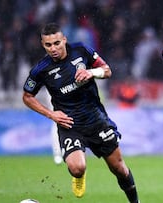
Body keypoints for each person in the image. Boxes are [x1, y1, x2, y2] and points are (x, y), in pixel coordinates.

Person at [22, 23, 140, 203]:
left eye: (56, 43)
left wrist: (91, 72)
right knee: (78, 167)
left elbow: (107, 71)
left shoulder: (81, 50)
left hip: (96, 119)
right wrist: (51, 115)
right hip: (69, 123)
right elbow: (27, 96)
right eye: (48, 45)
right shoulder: (41, 69)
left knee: (119, 169)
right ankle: (78, 175)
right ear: (42, 44)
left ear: (64, 40)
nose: (53, 48)